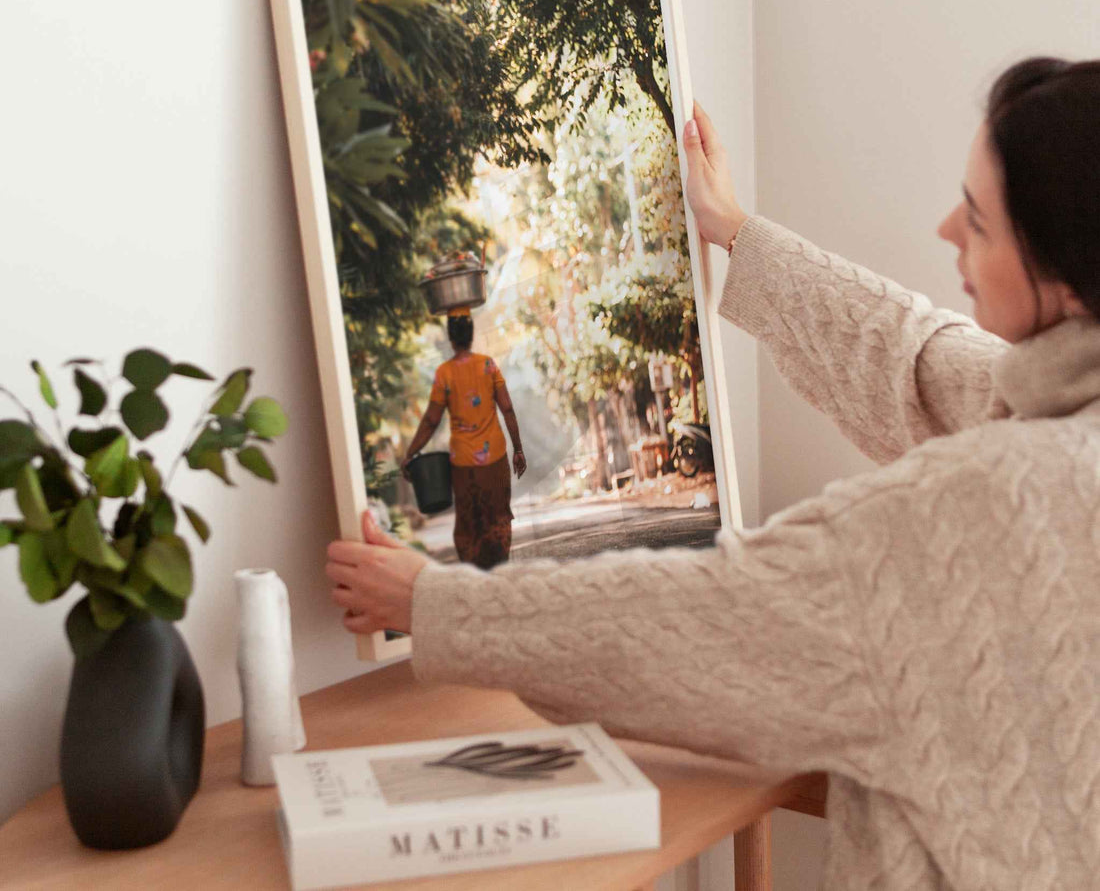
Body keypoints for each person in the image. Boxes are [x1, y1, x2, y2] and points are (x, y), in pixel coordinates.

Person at [326, 57, 1100, 889]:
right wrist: (734, 230)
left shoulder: (978, 508)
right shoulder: (1061, 410)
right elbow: (914, 357)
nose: (948, 228)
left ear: (1065, 281)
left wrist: (432, 602)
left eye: (980, 222)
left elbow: (701, 620)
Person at [401, 307, 527, 569]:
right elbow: (508, 409)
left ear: (451, 337)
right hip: (495, 459)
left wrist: (411, 453)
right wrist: (518, 449)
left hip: (463, 464)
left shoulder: (444, 374)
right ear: (470, 335)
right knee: (499, 519)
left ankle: (476, 577)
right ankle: (499, 569)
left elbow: (431, 421)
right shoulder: (488, 365)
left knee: (470, 525)